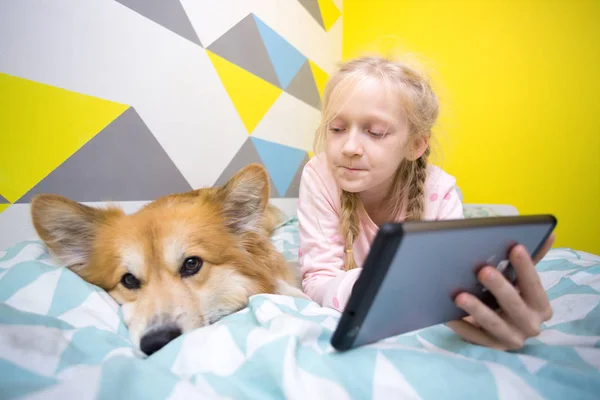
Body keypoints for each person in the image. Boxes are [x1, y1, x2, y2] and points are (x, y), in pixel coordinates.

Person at [297, 55, 554, 350]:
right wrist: (374, 288)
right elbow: (318, 279)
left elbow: (448, 288)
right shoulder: (320, 175)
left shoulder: (440, 191)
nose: (350, 148)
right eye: (337, 129)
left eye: (375, 132)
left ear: (416, 144)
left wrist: (477, 305)